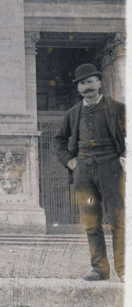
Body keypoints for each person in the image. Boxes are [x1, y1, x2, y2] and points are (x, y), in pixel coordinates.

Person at [53, 63, 125, 282]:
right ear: (78, 89)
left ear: (99, 83)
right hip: (84, 170)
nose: (87, 87)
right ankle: (99, 269)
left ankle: (124, 269)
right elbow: (58, 140)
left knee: (119, 219)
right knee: (92, 221)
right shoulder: (73, 114)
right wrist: (70, 161)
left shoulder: (118, 108)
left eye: (91, 81)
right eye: (83, 84)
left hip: (112, 167)